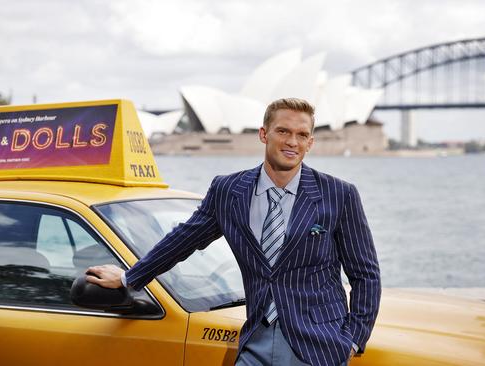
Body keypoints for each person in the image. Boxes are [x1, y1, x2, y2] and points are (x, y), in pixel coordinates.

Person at [86, 98, 381, 366]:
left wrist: (352, 339)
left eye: (301, 135)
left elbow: (365, 273)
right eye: (283, 131)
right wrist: (129, 277)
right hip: (256, 341)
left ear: (311, 142)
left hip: (319, 346)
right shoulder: (228, 191)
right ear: (264, 134)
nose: (292, 141)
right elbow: (183, 239)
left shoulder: (338, 194)